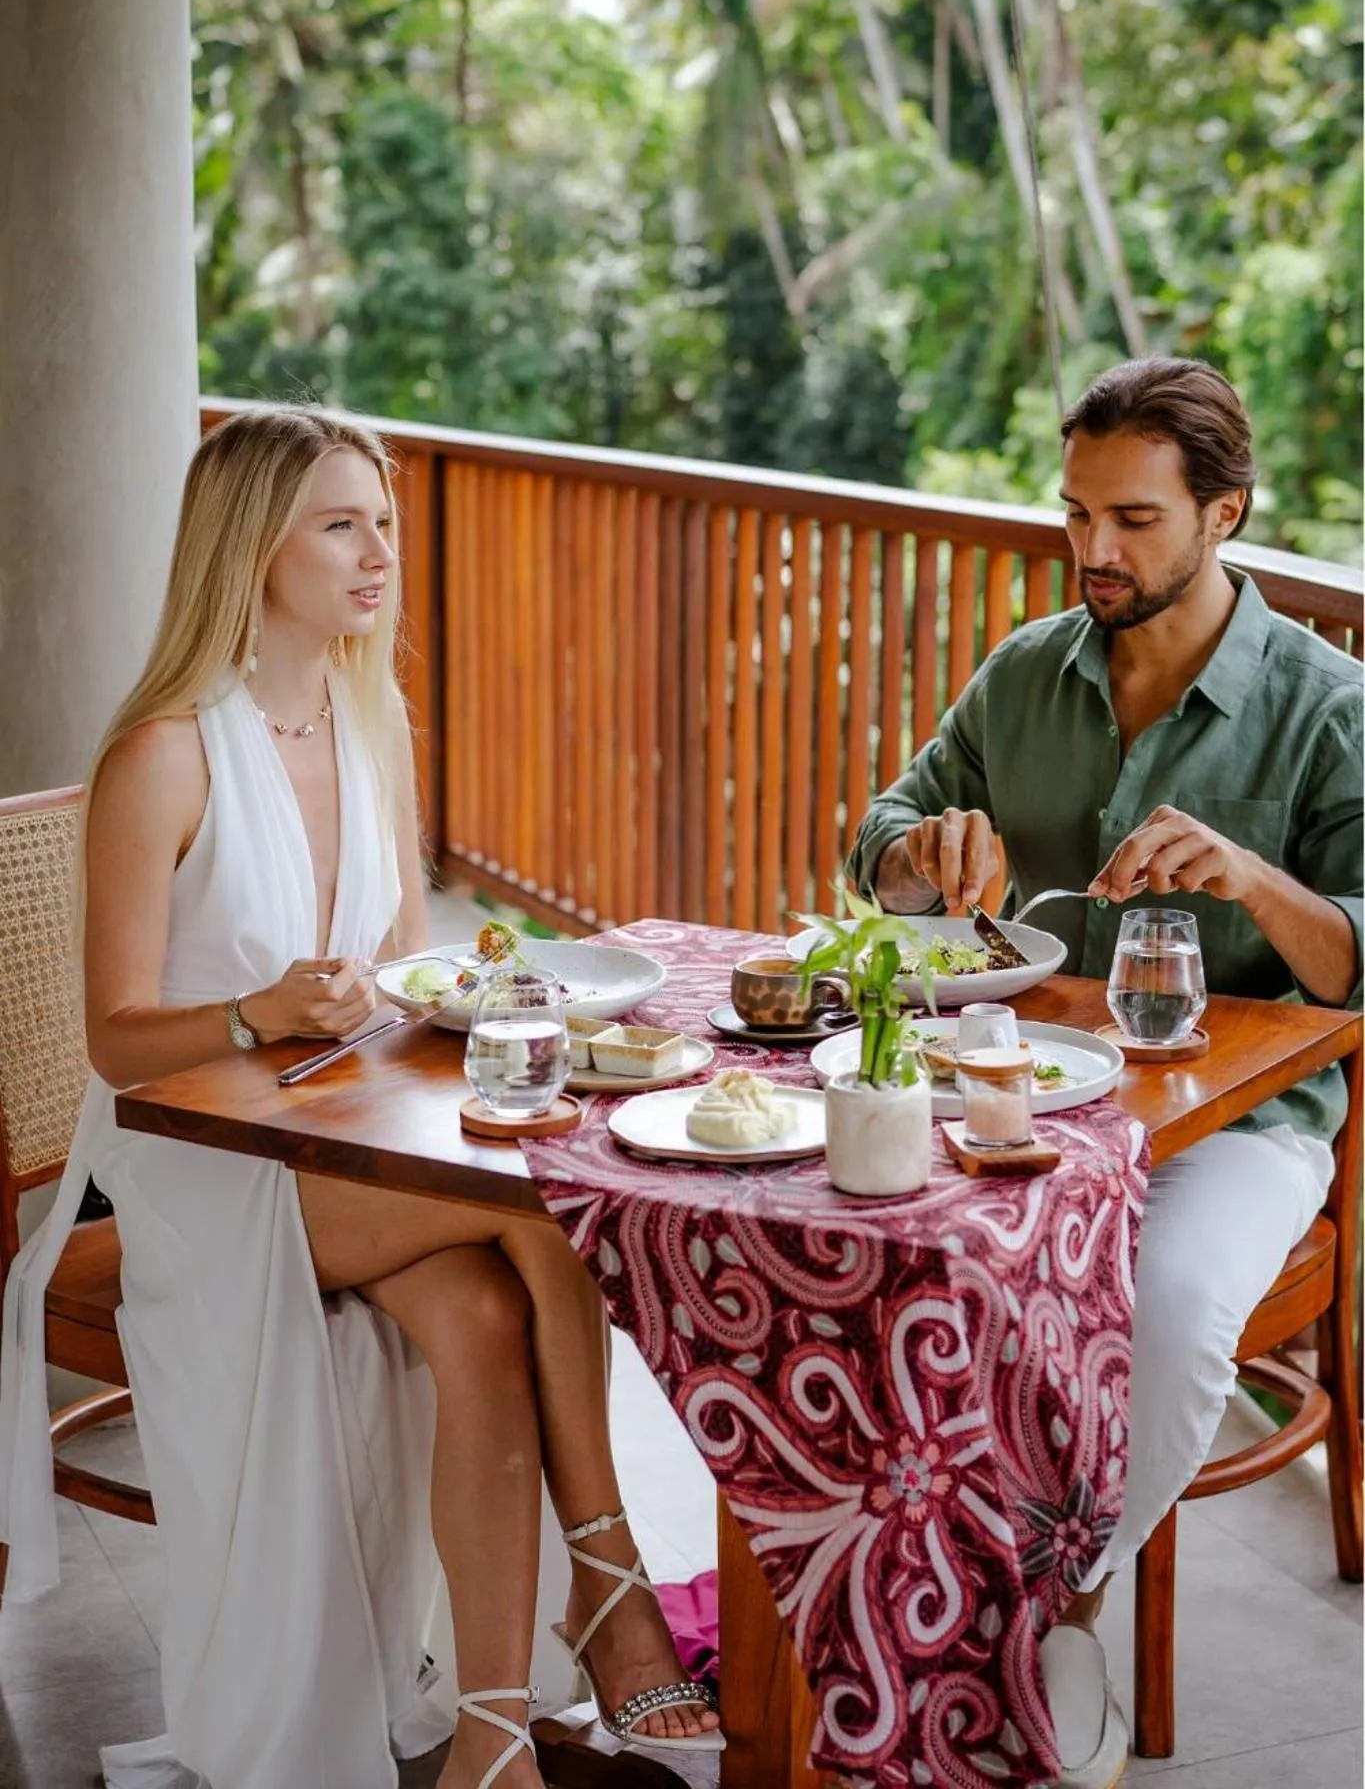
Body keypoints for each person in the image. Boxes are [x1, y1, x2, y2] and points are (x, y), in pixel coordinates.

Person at [0, 409, 721, 1789]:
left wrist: (463, 1005)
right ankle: (618, 1601)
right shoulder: (165, 752)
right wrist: (251, 1014)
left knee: (491, 1305)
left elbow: (402, 970)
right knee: (539, 1209)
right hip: (207, 1160)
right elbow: (112, 1042)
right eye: (342, 522)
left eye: (382, 519)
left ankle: (494, 1735)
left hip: (346, 1128)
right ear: (251, 546)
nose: (380, 548)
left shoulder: (363, 712)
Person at [847, 357, 1362, 1789]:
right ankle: (890, 1584)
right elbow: (886, 826)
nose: (1092, 551)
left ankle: (1039, 1618)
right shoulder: (1025, 673)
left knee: (1174, 1308)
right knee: (873, 1260)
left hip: (1240, 1125)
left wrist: (1256, 884)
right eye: (1075, 513)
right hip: (1025, 1101)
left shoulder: (1329, 706)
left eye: (1132, 519)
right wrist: (915, 857)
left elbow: (1361, 956)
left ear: (1225, 513)